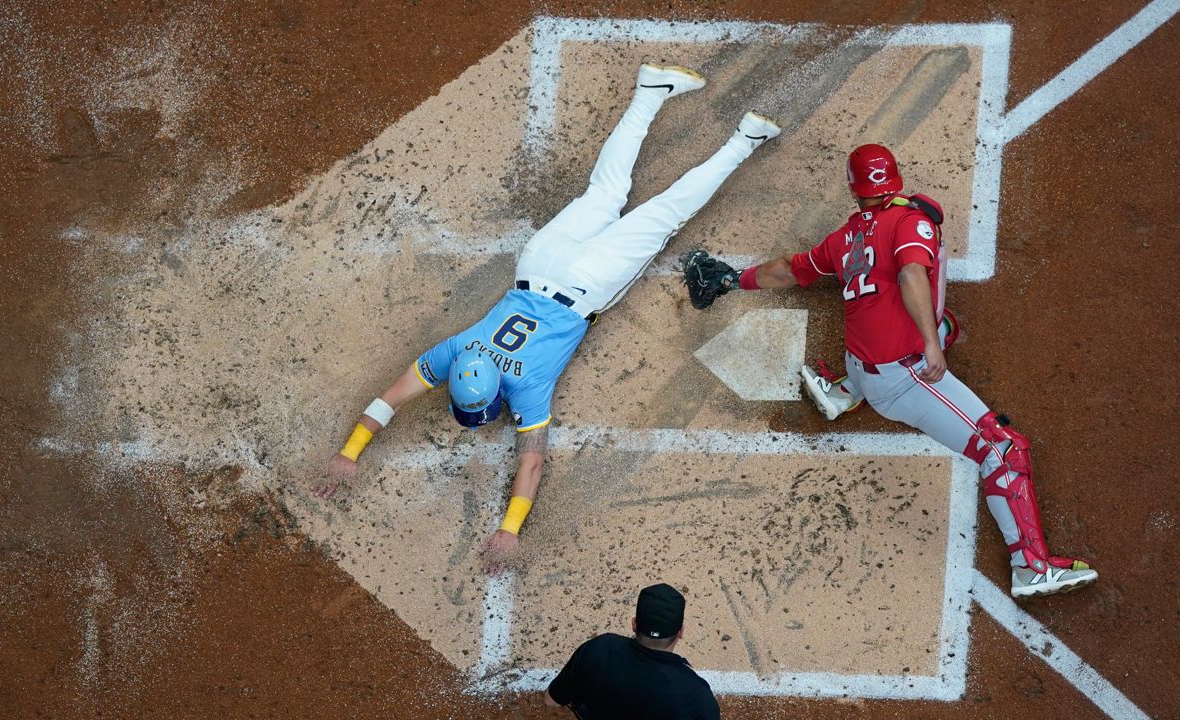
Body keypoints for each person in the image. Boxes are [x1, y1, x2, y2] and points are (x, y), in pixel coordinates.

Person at [311, 63, 781, 572]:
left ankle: (745, 139)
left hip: (587, 283)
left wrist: (509, 531)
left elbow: (531, 462)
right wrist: (349, 451)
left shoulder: (526, 388)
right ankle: (649, 92)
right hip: (539, 260)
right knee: (603, 192)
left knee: (667, 213)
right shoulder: (456, 350)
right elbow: (387, 400)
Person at [681, 144, 1097, 598]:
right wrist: (931, 346)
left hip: (859, 364)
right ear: (895, 180)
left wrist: (729, 279)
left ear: (854, 190)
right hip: (901, 381)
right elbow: (912, 276)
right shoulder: (910, 223)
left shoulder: (843, 240)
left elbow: (786, 270)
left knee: (944, 323)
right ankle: (1030, 567)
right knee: (1003, 450)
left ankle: (842, 390)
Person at [544, 583, 719, 719]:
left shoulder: (600, 649)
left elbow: (551, 700)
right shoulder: (696, 693)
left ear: (634, 624)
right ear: (681, 631)